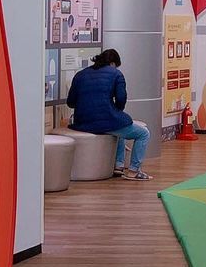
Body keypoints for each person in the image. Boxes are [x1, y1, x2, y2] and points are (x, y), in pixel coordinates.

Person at [65, 48, 152, 181]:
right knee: (143, 133)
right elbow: (121, 99)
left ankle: (118, 165)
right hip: (105, 121)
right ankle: (134, 171)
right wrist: (116, 111)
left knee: (118, 128)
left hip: (82, 122)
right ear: (112, 63)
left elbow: (70, 102)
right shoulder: (116, 74)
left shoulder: (80, 74)